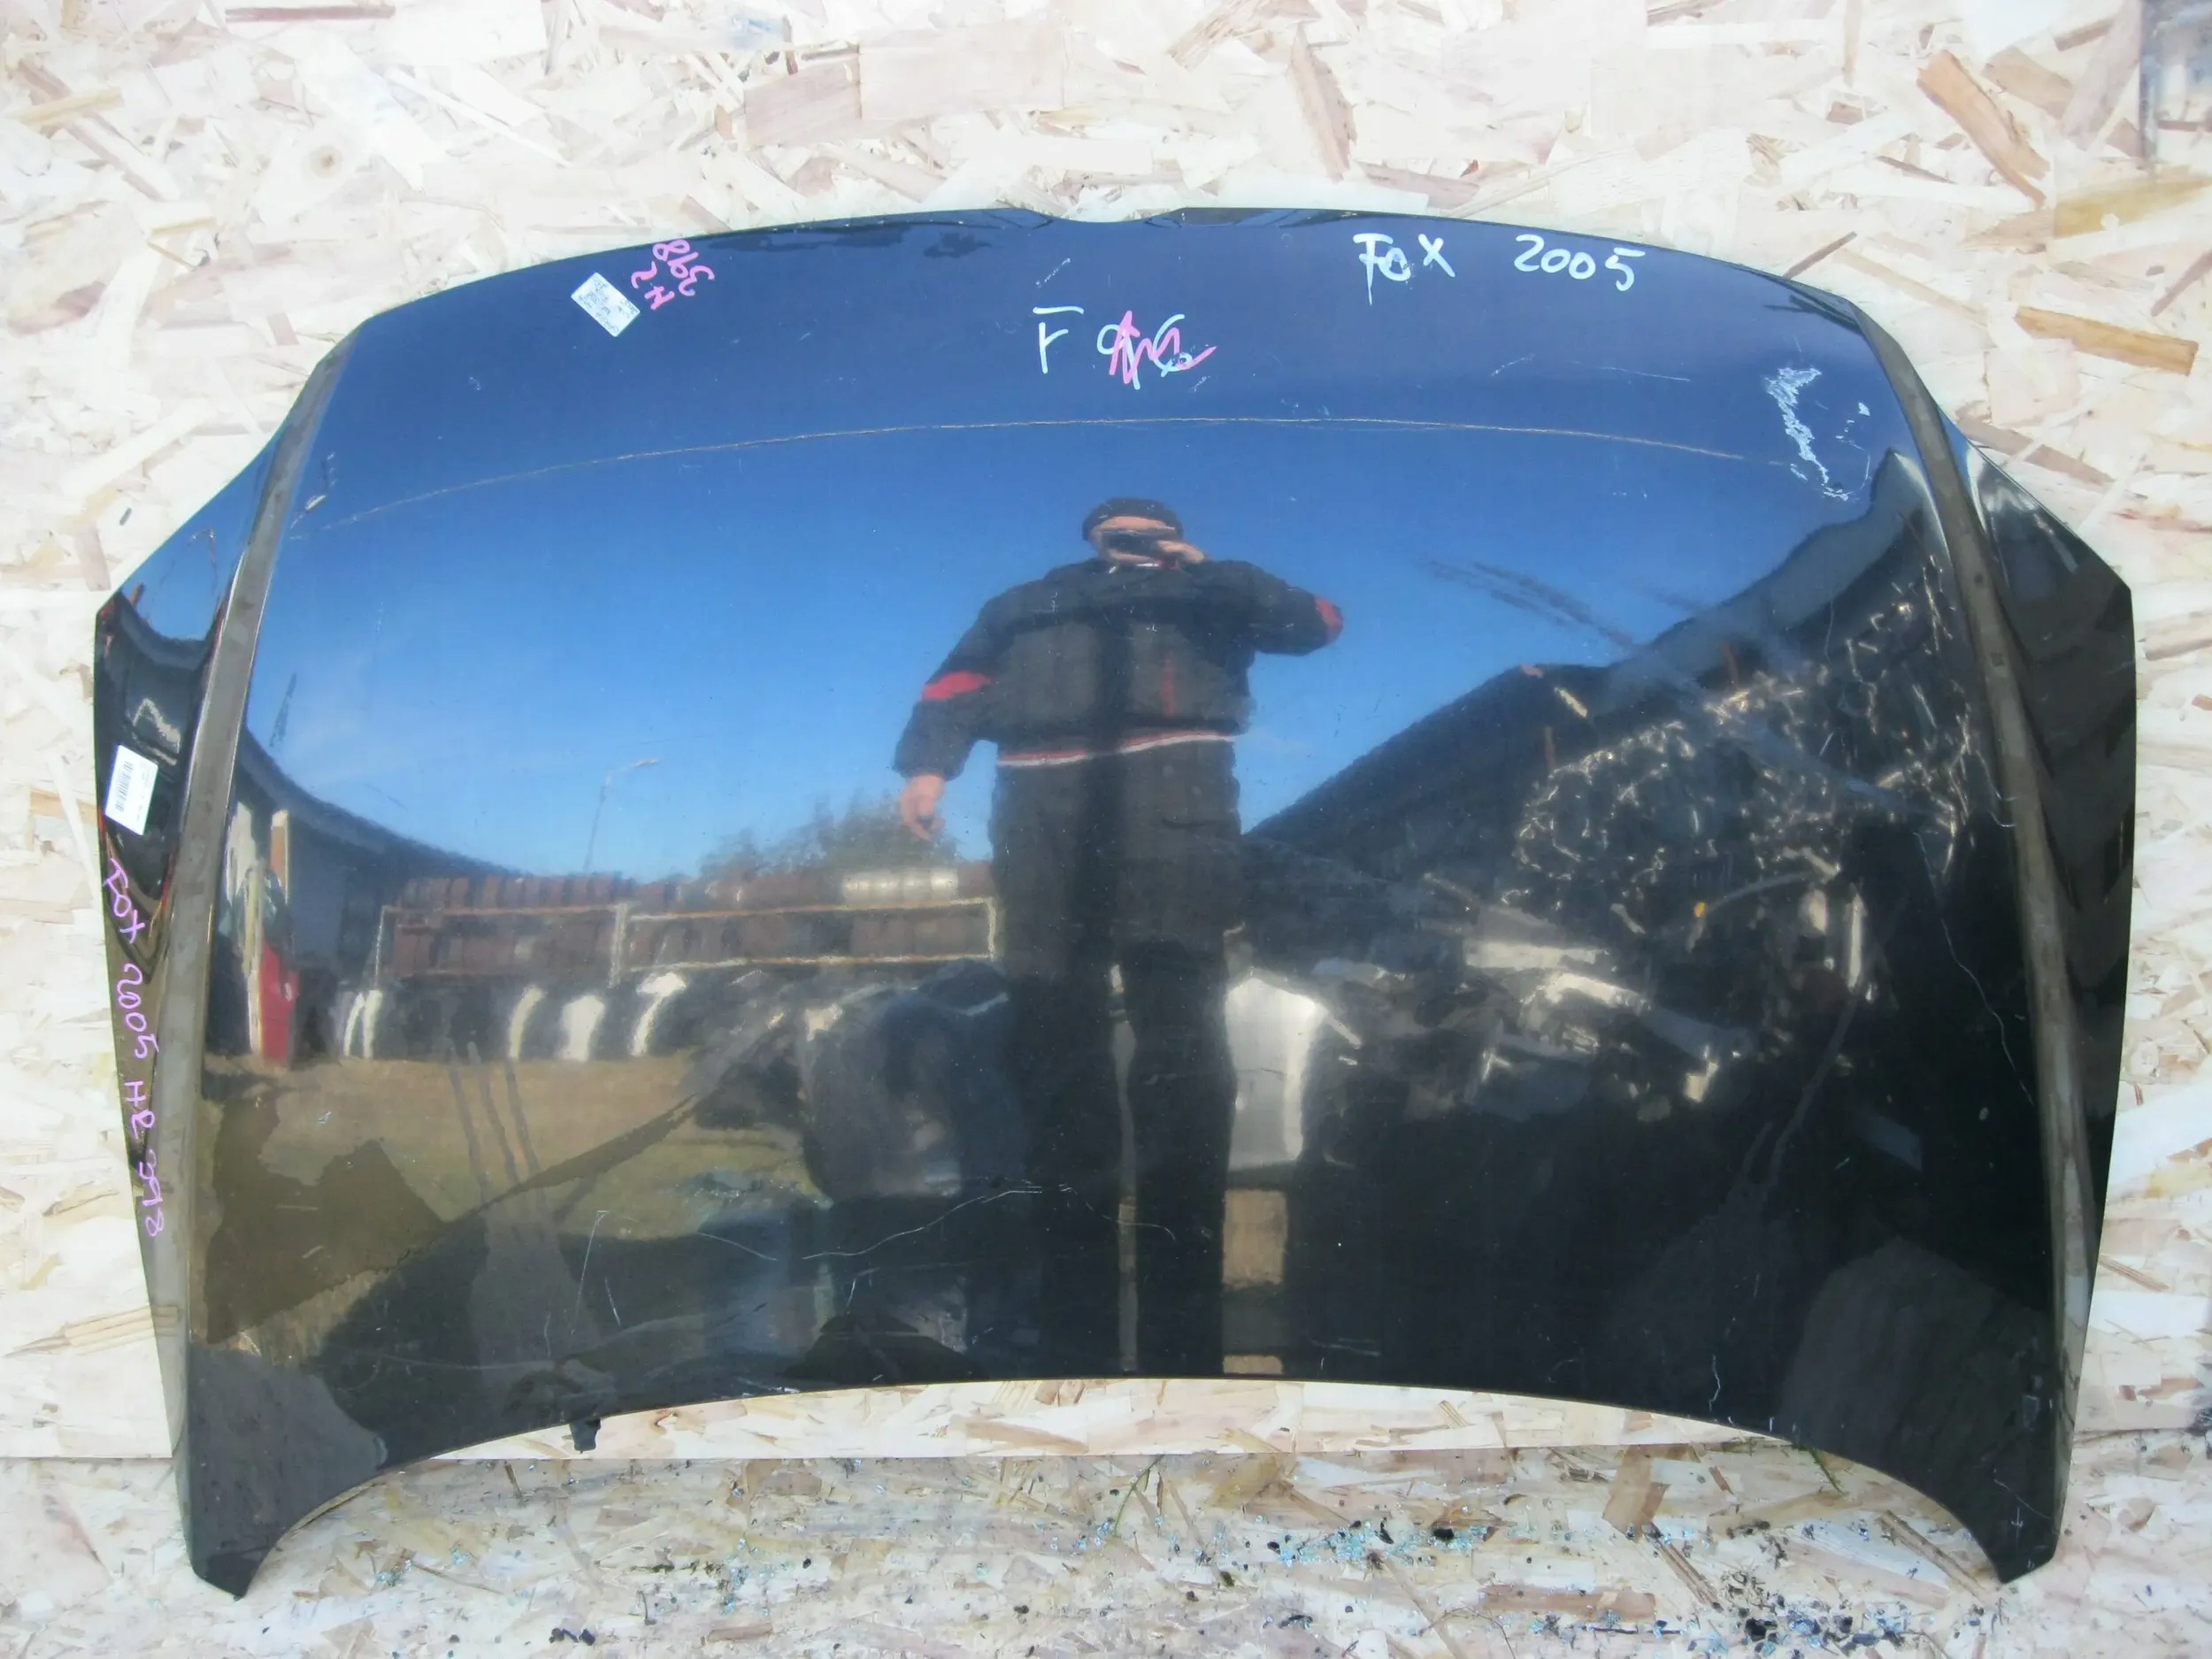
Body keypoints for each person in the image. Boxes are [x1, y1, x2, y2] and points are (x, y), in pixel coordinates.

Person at [893, 497, 1342, 1376]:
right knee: (1053, 1029)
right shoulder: (1025, 603)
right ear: (1091, 535)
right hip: (1040, 813)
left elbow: (1315, 623)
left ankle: (1184, 1329)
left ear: (1171, 532)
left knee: (1181, 1031)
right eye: (1117, 525)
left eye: (1148, 526)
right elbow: (955, 682)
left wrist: (1203, 566)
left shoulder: (1209, 589)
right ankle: (1076, 1329)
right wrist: (926, 769)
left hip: (1177, 800)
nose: (1131, 535)